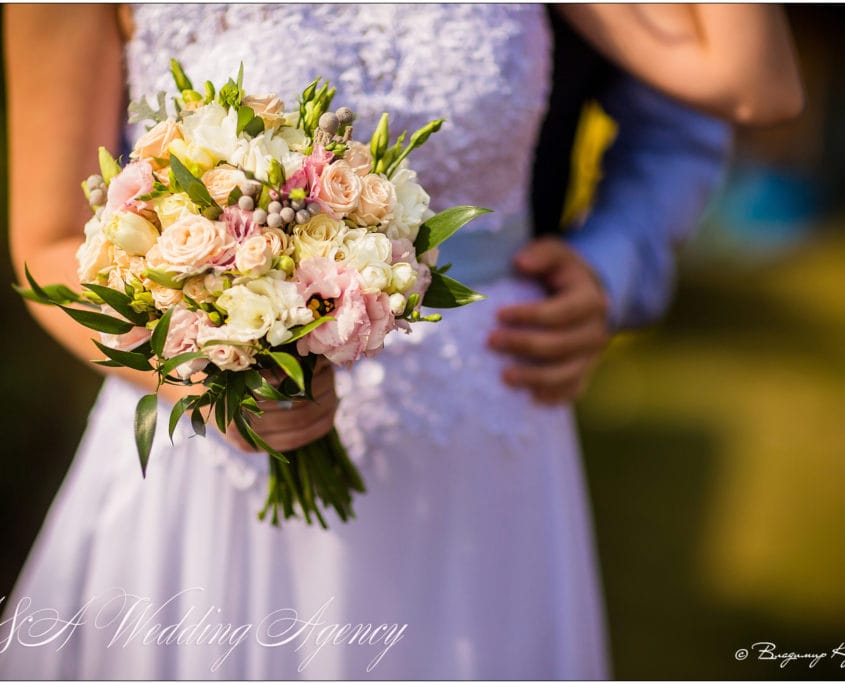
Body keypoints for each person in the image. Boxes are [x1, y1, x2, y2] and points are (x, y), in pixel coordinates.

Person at [1, 4, 801, 679]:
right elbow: (47, 238)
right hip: (225, 424)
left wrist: (609, 266)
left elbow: (755, 82)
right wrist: (199, 378)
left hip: (487, 417)